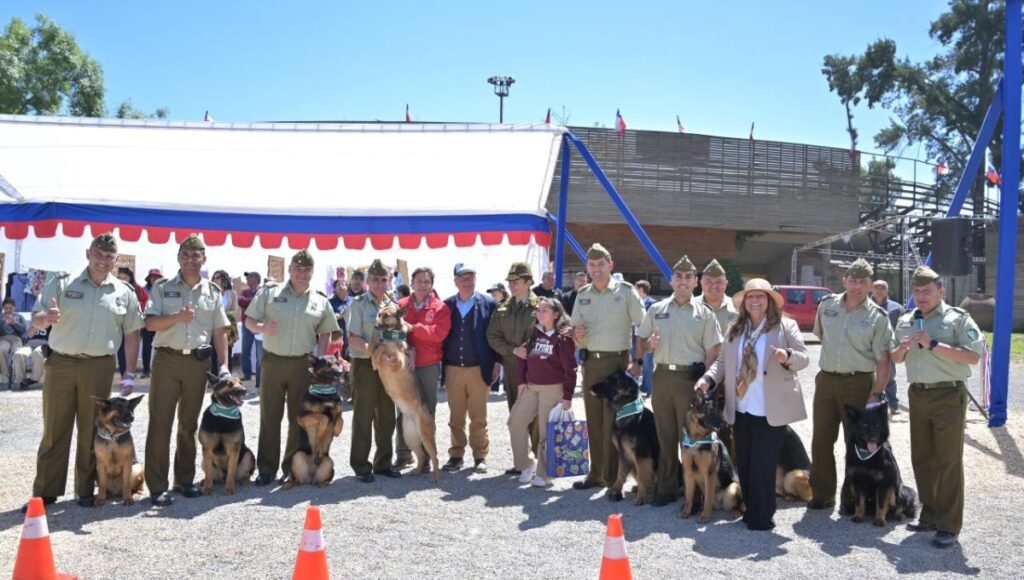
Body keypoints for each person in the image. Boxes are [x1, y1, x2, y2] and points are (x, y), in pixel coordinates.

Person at [26, 233, 144, 511]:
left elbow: (132, 334)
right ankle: (45, 491)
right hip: (62, 363)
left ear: (116, 260)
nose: (103, 260)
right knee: (55, 428)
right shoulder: (63, 283)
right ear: (88, 253)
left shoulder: (123, 292)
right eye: (98, 254)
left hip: (98, 366)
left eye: (109, 256)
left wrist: (129, 372)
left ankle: (85, 490)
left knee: (94, 430)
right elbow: (36, 316)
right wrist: (46, 319)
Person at [696, 278, 808, 530]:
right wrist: (707, 379)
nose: (755, 301)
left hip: (770, 409)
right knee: (744, 463)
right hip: (742, 408)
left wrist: (787, 356)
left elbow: (804, 358)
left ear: (769, 301)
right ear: (744, 302)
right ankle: (749, 510)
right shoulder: (735, 329)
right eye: (750, 297)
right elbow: (722, 363)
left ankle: (763, 516)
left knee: (763, 464)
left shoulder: (785, 326)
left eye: (760, 296)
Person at [892, 266, 983, 549]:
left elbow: (972, 356)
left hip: (948, 395)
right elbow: (894, 358)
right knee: (922, 458)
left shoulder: (957, 318)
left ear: (940, 292)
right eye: (917, 291)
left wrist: (932, 344)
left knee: (948, 461)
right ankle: (930, 515)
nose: (921, 296)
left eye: (927, 291)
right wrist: (904, 349)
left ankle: (949, 525)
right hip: (918, 395)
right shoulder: (907, 319)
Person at [143, 235, 231, 506]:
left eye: (197, 255)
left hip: (198, 363)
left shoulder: (213, 293)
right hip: (167, 360)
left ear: (204, 259)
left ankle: (183, 480)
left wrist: (225, 364)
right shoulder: (162, 288)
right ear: (178, 258)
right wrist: (177, 318)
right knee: (160, 423)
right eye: (186, 255)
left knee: (189, 424)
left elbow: (219, 331)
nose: (191, 260)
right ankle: (157, 486)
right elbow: (150, 324)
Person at [245, 250, 339, 486]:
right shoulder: (270, 293)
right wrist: (263, 328)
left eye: (306, 270)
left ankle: (291, 467)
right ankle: (266, 469)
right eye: (297, 269)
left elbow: (327, 331)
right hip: (273, 361)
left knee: (298, 418)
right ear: (289, 270)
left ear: (312, 273)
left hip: (302, 365)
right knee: (269, 416)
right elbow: (248, 320)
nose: (301, 273)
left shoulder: (320, 300)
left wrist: (320, 359)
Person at [808, 258, 894, 511]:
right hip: (827, 380)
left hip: (858, 382)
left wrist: (877, 393)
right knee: (821, 438)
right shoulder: (827, 306)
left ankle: (851, 499)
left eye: (863, 282)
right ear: (844, 281)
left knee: (856, 441)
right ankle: (822, 494)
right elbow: (822, 335)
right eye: (853, 280)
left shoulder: (877, 316)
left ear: (870, 285)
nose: (857, 286)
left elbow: (883, 359)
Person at [635, 256, 722, 505]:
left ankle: (693, 492)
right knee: (666, 435)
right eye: (678, 276)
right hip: (662, 377)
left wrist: (705, 380)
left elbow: (713, 352)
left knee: (692, 436)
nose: (683, 281)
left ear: (695, 281)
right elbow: (640, 341)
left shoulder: (704, 314)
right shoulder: (657, 310)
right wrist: (647, 347)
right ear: (671, 280)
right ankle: (666, 488)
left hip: (690, 380)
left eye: (688, 277)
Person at [570, 243, 647, 492]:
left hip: (617, 365)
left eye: (601, 264)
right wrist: (576, 333)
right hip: (591, 363)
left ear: (611, 265)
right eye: (592, 265)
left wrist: (638, 361)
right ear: (587, 268)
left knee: (614, 423)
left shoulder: (625, 292)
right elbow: (574, 332)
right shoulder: (583, 295)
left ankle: (614, 477)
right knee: (594, 421)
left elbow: (643, 327)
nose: (597, 269)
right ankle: (596, 473)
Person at [508, 297, 578, 488]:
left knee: (546, 433)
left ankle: (545, 474)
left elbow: (571, 368)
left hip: (553, 388)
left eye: (545, 310)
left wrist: (568, 396)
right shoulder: (532, 332)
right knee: (515, 422)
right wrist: (521, 380)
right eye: (538, 310)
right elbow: (522, 356)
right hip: (531, 386)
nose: (540, 313)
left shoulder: (563, 337)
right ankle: (526, 464)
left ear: (556, 314)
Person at [347, 259, 401, 482]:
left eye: (383, 279)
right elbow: (353, 337)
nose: (379, 284)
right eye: (375, 280)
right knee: (363, 416)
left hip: (387, 368)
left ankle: (383, 463)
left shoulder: (392, 306)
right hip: (366, 366)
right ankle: (361, 466)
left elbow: (398, 334)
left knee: (387, 416)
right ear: (367, 281)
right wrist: (374, 352)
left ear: (389, 281)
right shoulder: (358, 304)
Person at [393, 267, 452, 470]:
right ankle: (403, 454)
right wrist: (408, 348)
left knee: (426, 411)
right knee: (403, 409)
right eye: (419, 281)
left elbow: (438, 334)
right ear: (412, 283)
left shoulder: (441, 308)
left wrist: (413, 328)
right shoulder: (400, 305)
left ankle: (427, 455)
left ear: (432, 285)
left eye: (427, 282)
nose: (423, 285)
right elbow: (394, 334)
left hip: (428, 365)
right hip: (403, 366)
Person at [441, 263, 498, 473]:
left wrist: (497, 362)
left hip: (478, 368)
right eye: (462, 277)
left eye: (470, 276)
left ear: (476, 279)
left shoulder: (489, 303)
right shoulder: (446, 305)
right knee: (455, 417)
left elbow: (495, 335)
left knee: (478, 416)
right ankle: (456, 455)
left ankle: (480, 456)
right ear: (455, 280)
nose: (466, 281)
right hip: (453, 368)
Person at [487, 262, 541, 474]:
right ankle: (522, 461)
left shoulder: (542, 306)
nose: (511, 286)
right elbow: (492, 336)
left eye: (516, 282)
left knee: (537, 416)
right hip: (512, 368)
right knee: (516, 413)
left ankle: (539, 460)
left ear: (528, 282)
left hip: (538, 369)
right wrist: (512, 351)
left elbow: (553, 332)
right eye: (510, 282)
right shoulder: (502, 309)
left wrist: (531, 351)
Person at [872, 280, 905, 415]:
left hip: (888, 347)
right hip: (867, 347)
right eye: (876, 287)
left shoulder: (896, 308)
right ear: (871, 289)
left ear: (888, 290)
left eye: (882, 287)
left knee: (889, 376)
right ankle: (872, 404)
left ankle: (893, 405)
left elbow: (902, 327)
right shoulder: (863, 305)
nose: (879, 290)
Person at [116, 267, 148, 378]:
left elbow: (146, 300)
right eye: (119, 278)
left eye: (125, 278)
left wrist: (140, 309)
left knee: (131, 350)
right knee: (120, 351)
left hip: (134, 325)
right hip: (119, 325)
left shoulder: (137, 289)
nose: (122, 280)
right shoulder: (114, 288)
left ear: (130, 278)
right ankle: (123, 374)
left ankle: (130, 374)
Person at [694, 259, 739, 334]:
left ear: (726, 283)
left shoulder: (737, 308)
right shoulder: (690, 306)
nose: (714, 286)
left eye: (719, 281)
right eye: (708, 281)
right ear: (701, 283)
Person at [209, 270, 238, 373]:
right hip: (212, 327)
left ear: (224, 279)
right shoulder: (210, 292)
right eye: (214, 277)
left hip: (227, 328)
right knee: (212, 354)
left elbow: (235, 311)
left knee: (227, 353)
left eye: (218, 277)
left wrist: (222, 316)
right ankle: (213, 379)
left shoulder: (232, 293)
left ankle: (227, 378)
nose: (215, 279)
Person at [634, 280, 657, 396]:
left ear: (641, 290)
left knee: (648, 364)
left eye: (636, 288)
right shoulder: (634, 303)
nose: (634, 290)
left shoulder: (653, 304)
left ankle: (649, 389)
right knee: (636, 362)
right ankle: (641, 386)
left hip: (647, 339)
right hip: (636, 337)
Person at [238, 271, 261, 381]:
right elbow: (241, 301)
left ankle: (259, 375)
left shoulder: (262, 291)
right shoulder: (244, 291)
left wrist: (251, 302)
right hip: (246, 325)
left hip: (259, 325)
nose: (247, 279)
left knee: (259, 352)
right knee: (245, 350)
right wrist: (254, 301)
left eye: (250, 277)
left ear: (256, 279)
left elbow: (262, 304)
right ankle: (247, 374)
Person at [140, 268, 163, 378]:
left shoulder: (164, 290)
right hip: (146, 322)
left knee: (159, 347)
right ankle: (146, 370)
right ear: (149, 278)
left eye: (157, 277)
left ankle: (158, 370)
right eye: (152, 277)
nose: (154, 279)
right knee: (146, 347)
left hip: (159, 322)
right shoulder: (143, 290)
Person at [0, 297, 28, 386]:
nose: (8, 310)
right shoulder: (0, 317)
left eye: (10, 308)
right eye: (6, 308)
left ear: (14, 308)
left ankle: (15, 376)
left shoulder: (19, 317)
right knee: (1, 349)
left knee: (16, 352)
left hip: (16, 338)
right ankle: (5, 375)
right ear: (3, 308)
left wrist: (14, 322)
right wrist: (2, 323)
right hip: (3, 338)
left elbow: (23, 329)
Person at [12, 323, 49, 390]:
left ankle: (34, 378)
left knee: (37, 353)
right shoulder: (33, 323)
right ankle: (20, 381)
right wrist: (37, 326)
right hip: (30, 344)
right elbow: (28, 336)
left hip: (44, 344)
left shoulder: (52, 323)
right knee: (18, 354)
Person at [328, 279, 353, 361]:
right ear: (335, 289)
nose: (341, 286)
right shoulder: (330, 302)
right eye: (338, 285)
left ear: (348, 287)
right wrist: (337, 316)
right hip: (336, 339)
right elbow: (325, 318)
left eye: (343, 284)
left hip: (352, 338)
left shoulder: (353, 301)